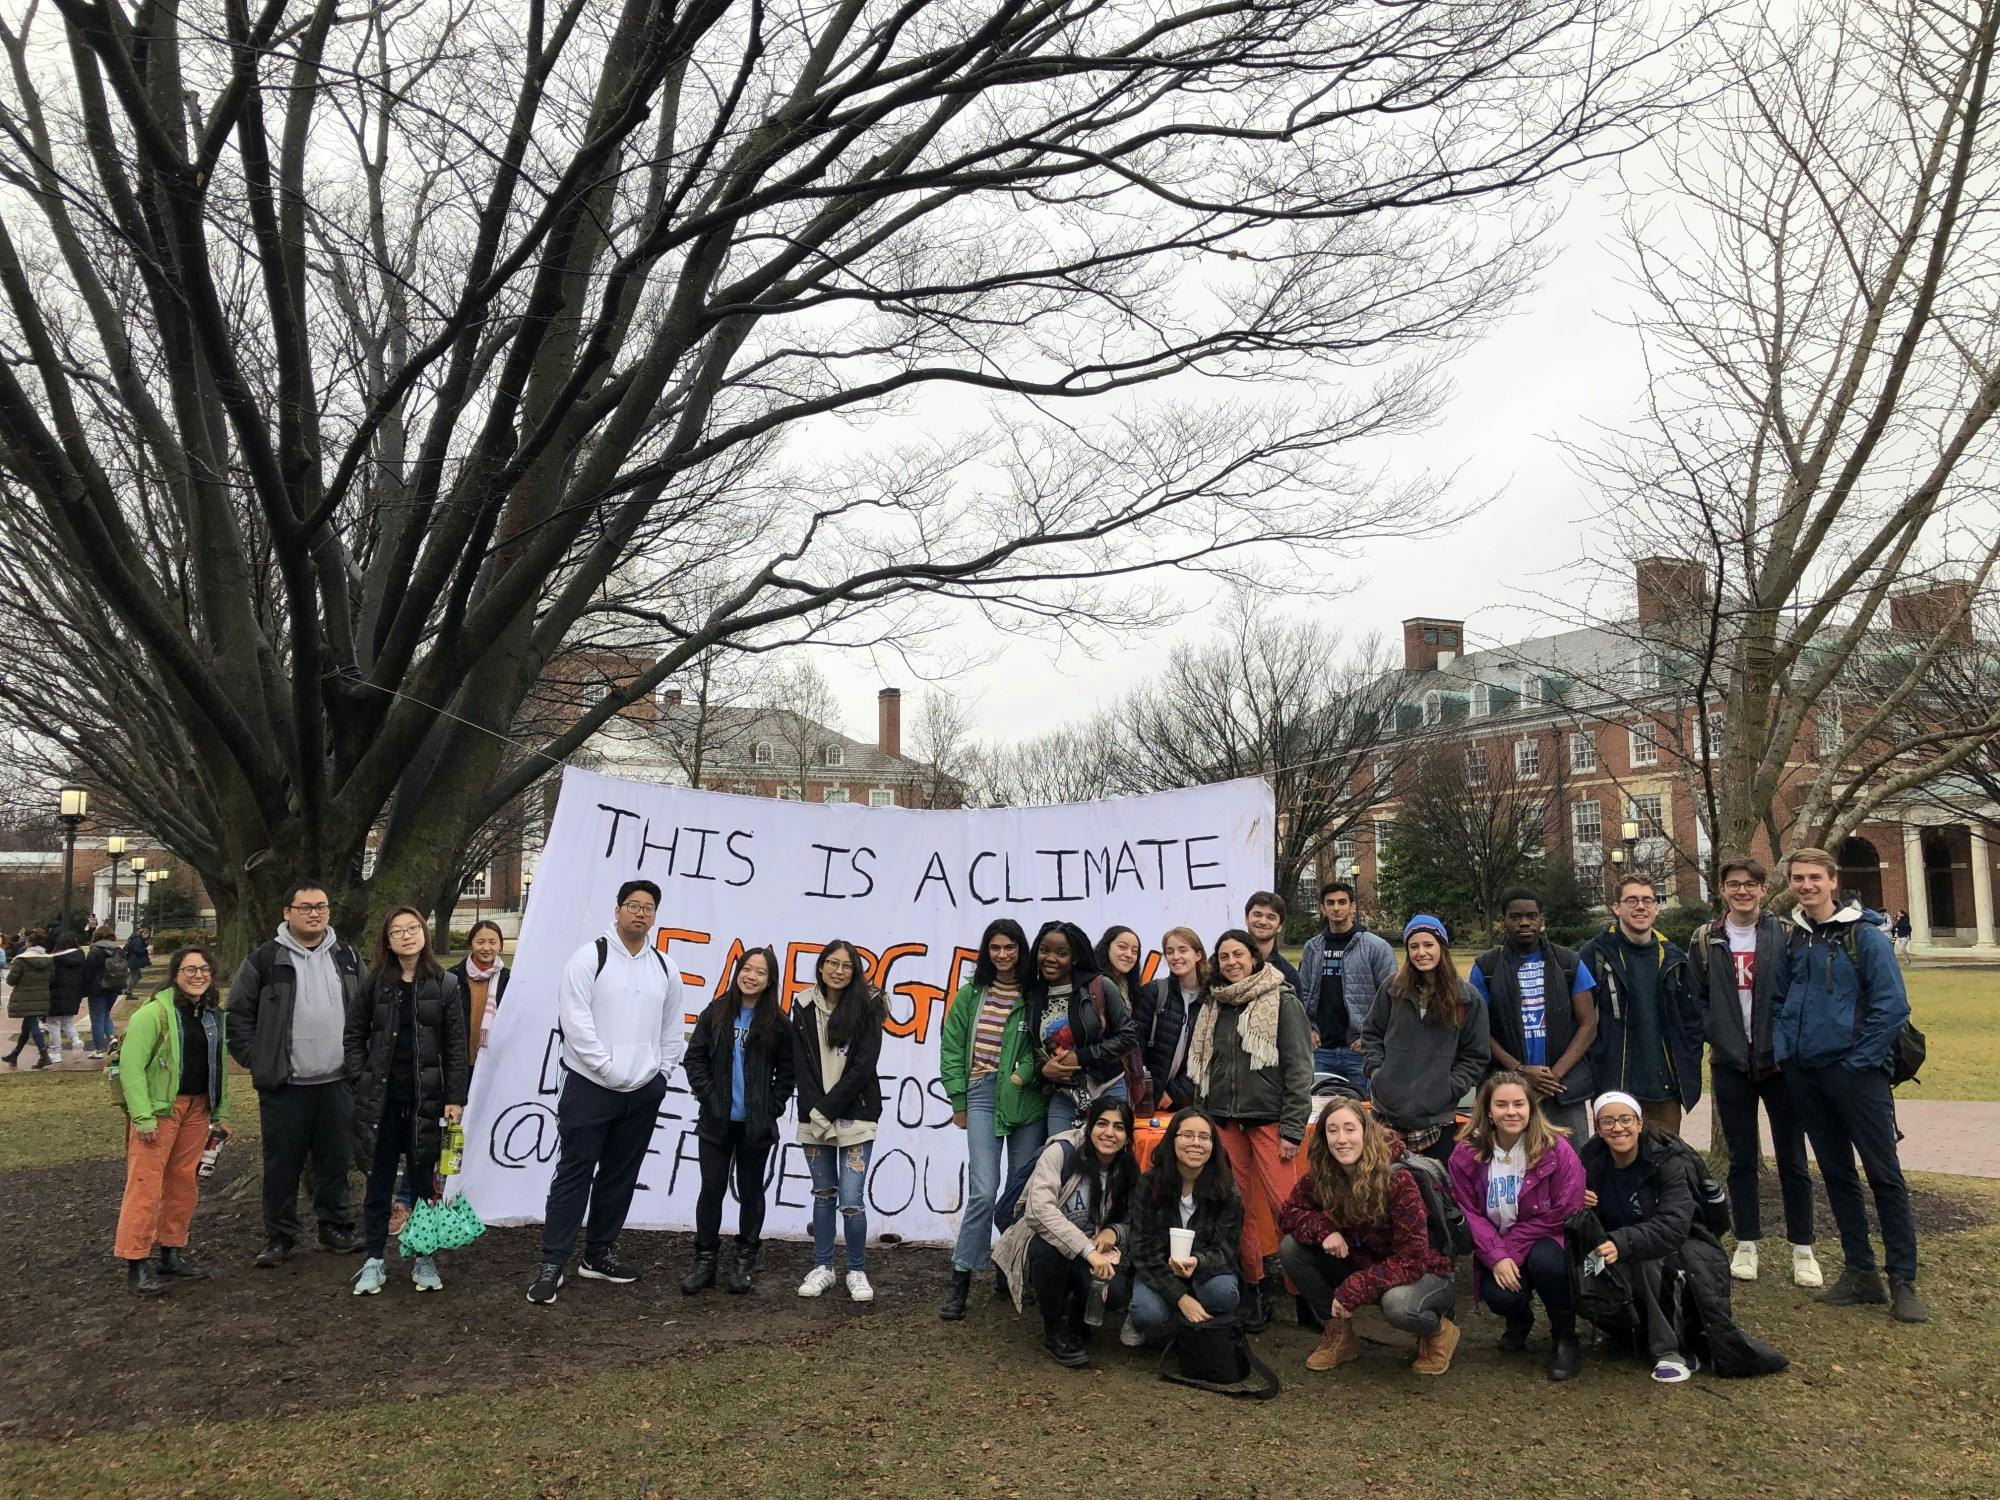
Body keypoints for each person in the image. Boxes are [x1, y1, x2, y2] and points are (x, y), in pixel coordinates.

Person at [1777, 848, 1925, 1324]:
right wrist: (1786, 1054)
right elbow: (1782, 1000)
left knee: (1884, 1176)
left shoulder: (1865, 937)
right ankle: (1861, 1272)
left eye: (1815, 877)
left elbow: (1892, 1006)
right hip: (1807, 1075)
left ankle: (1903, 1279)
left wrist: (1859, 1063)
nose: (1806, 885)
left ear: (1833, 881)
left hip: (1857, 1078)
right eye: (1799, 878)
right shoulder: (1795, 938)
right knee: (1837, 1176)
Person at [526, 880, 684, 1305]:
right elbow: (576, 1023)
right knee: (574, 1173)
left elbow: (672, 1029)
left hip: (642, 1093)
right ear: (617, 911)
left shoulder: (665, 968)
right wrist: (607, 1069)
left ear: (655, 916)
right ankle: (553, 1262)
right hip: (591, 1088)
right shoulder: (589, 958)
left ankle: (598, 1254)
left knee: (620, 1176)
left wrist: (661, 1075)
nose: (640, 913)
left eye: (649, 908)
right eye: (633, 905)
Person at [1576, 1092, 1789, 1383]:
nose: (1618, 1128)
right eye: (1608, 1121)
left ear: (1640, 1123)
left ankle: (1670, 1350)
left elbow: (1674, 1225)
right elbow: (1577, 1219)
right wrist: (1579, 1203)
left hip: (1684, 1251)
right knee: (1582, 1266)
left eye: (1626, 1119)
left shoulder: (1670, 1162)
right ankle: (1624, 1329)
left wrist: (1622, 1242)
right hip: (1616, 1245)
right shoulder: (1590, 1162)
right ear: (1598, 1129)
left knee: (1645, 1261)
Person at [1689, 856, 1820, 1288]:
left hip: (1779, 1063)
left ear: (1764, 889)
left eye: (1750, 884)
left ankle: (1803, 1248)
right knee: (1742, 1159)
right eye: (1733, 885)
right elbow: (1697, 996)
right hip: (1730, 1063)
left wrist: (1784, 1044)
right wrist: (1717, 1033)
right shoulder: (1707, 938)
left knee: (1792, 1157)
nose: (1742, 891)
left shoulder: (1784, 934)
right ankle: (1747, 1242)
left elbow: (1801, 990)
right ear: (1722, 890)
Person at [226, 881, 366, 1265]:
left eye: (321, 906)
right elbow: (238, 1016)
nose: (314, 913)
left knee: (335, 1160)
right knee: (281, 1164)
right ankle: (280, 1237)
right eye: (305, 907)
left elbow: (368, 1008)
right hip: (286, 1085)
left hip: (337, 1081)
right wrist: (260, 1060)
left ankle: (335, 1227)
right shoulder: (265, 960)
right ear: (287, 912)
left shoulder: (348, 957)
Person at [1185, 928, 1311, 1331]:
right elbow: (1205, 1067)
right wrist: (1204, 1120)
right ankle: (1253, 1289)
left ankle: (1305, 1291)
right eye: (1224, 957)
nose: (1231, 962)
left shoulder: (1282, 1000)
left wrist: (1293, 1126)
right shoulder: (1213, 1006)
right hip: (1225, 1122)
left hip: (1271, 1120)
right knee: (1237, 1209)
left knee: (1286, 1207)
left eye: (1238, 954)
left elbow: (1298, 1066)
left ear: (1254, 958)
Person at [1277, 1096, 1459, 1375]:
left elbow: (1412, 1258)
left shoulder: (1398, 1179)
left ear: (1365, 1132)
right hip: (1364, 1263)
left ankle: (1438, 1333)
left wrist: (1355, 1287)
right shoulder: (1325, 1175)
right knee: (1292, 1248)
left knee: (1398, 1306)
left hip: (1424, 1271)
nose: (1341, 1139)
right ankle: (1339, 1335)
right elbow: (1289, 1213)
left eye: (1350, 1129)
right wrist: (1325, 1232)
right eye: (1332, 1130)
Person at [346, 907, 469, 1296]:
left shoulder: (446, 984)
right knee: (378, 1181)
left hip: (426, 1103)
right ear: (387, 939)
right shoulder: (374, 983)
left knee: (422, 1184)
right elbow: (353, 1035)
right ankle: (373, 1260)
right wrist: (360, 1077)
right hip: (381, 1101)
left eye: (412, 928)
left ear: (424, 934)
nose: (406, 936)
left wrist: (454, 1097)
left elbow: (455, 1046)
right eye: (397, 930)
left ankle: (423, 1257)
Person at [938, 917, 1046, 1318]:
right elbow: (951, 1047)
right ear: (986, 951)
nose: (1003, 955)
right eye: (995, 948)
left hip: (1026, 1100)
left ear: (1021, 950)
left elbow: (1048, 1045)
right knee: (984, 1191)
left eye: (1010, 948)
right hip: (981, 1093)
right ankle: (961, 1278)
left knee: (1023, 1194)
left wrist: (1029, 1072)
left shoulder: (1036, 994)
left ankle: (1010, 1267)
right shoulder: (971, 995)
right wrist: (958, 1100)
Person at [1447, 1071, 1586, 1379]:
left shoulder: (1557, 1149)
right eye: (1502, 1105)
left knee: (1547, 1263)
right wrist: (1495, 1255)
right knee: (1501, 1295)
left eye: (1519, 1104)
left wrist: (1507, 1250)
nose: (1511, 1112)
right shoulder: (1466, 1154)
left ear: (1531, 1108)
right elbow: (1467, 1211)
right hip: (1496, 1242)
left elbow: (1567, 1208)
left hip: (1546, 1238)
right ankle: (1518, 1320)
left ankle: (1565, 1337)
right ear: (1488, 1110)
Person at [114, 945, 231, 1296]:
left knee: (184, 1183)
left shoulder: (212, 1015)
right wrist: (143, 1116)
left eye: (204, 969)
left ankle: (172, 1252)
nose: (198, 976)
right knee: (145, 1183)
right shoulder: (153, 1014)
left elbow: (219, 1065)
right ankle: (136, 1261)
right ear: (176, 974)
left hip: (198, 1109)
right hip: (160, 1110)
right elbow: (131, 1068)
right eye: (190, 969)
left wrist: (221, 1111)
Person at [682, 946, 794, 1296]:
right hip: (715, 1123)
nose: (752, 976)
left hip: (755, 1126)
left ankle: (744, 1263)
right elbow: (694, 1058)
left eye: (760, 972)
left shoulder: (778, 1022)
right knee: (711, 1190)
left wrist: (770, 1108)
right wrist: (711, 1099)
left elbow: (788, 1073)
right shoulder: (715, 1012)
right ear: (738, 971)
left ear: (770, 979)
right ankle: (705, 1263)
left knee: (750, 1192)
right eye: (747, 969)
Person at [993, 1096, 1137, 1367]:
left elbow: (1131, 1221)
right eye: (1102, 1124)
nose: (1109, 1133)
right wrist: (1088, 1252)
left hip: (1091, 1249)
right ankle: (1054, 1328)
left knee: (1117, 1293)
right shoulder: (1062, 1151)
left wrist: (1114, 1233)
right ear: (1090, 1125)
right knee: (1050, 1253)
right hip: (1046, 1243)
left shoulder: (1126, 1167)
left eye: (1119, 1127)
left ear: (1128, 1136)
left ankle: (1076, 1318)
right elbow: (1038, 1212)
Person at [792, 939, 888, 1302]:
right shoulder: (801, 1006)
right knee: (822, 1195)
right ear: (821, 966)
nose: (838, 970)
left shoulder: (868, 1007)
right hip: (813, 1118)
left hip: (855, 1117)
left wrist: (826, 1110)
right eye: (832, 963)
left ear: (855, 971)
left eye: (847, 965)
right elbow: (801, 1064)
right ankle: (823, 1267)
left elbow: (863, 1067)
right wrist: (816, 1111)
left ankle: (857, 1270)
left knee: (851, 1199)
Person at [1361, 915, 1490, 1165]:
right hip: (1387, 1114)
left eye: (1428, 945)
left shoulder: (1467, 998)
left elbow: (1475, 1055)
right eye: (1414, 946)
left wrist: (1448, 1088)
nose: (1421, 953)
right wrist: (1378, 1073)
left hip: (1437, 1118)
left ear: (1442, 947)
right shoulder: (1392, 988)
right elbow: (1371, 1034)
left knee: (1435, 1192)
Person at [1469, 889, 1598, 1137]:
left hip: (1562, 1089)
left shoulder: (1569, 962)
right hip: (1506, 1089)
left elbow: (1588, 1025)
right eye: (1515, 917)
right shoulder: (1485, 967)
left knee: (1571, 1166)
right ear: (1503, 922)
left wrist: (1554, 1076)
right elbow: (1478, 1029)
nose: (1524, 922)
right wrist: (1519, 1071)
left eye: (1532, 916)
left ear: (1542, 920)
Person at [1580, 876, 1702, 1135]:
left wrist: (1688, 1060)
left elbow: (1691, 1020)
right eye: (1631, 900)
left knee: (1665, 1165)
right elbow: (1580, 1019)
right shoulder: (1596, 955)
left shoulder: (1674, 957)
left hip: (1665, 1086)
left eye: (1648, 900)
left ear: (1657, 907)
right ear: (1616, 907)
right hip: (1614, 1084)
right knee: (1617, 1165)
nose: (1640, 907)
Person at [1125, 1106, 1244, 1347]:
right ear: (1172, 1139)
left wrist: (1198, 1261)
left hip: (1203, 1271)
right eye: (1187, 1135)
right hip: (1159, 1269)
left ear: (1213, 1145)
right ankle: (1172, 1316)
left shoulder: (1226, 1189)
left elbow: (1227, 1250)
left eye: (1204, 1137)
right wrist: (1180, 1298)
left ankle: (1195, 1327)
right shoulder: (1149, 1184)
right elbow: (1142, 1250)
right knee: (1147, 1312)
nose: (1196, 1143)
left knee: (1224, 1293)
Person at [1024, 920, 1137, 1136]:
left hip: (1107, 1087)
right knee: (1059, 1154)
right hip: (1064, 1095)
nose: (1050, 958)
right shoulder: (1033, 995)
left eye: (1061, 953)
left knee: (1109, 1162)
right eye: (1044, 950)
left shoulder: (1100, 986)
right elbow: (1030, 1047)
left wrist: (1082, 1056)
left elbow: (1129, 1035)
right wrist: (1042, 1070)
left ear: (1075, 957)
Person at [1297, 881, 1396, 1097]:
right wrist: (1310, 1028)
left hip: (1360, 1051)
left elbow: (1391, 998)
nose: (1336, 908)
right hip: (1321, 1051)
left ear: (1352, 906)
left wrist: (1371, 1038)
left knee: (1362, 1116)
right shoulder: (1313, 948)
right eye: (1330, 903)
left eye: (1342, 902)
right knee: (1320, 1116)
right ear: (1323, 908)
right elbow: (1303, 994)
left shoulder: (1375, 947)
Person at [1130, 926, 1206, 1113]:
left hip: (1188, 1102)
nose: (1175, 957)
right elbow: (1135, 1045)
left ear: (1198, 955)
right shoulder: (1154, 992)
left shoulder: (1211, 999)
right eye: (1169, 952)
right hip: (1148, 1099)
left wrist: (1177, 1092)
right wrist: (1148, 1091)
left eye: (1182, 950)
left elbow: (1210, 1056)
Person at [446, 919, 510, 1064]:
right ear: (471, 944)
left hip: (497, 1060)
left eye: (492, 942)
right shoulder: (452, 977)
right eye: (480, 942)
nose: (486, 948)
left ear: (500, 945)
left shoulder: (509, 980)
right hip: (459, 1059)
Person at [4, 929, 53, 1069]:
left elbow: (11, 980)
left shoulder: (21, 960)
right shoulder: (48, 959)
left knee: (32, 1026)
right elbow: (52, 978)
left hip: (25, 997)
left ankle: (44, 1055)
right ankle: (15, 1053)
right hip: (42, 996)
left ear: (29, 943)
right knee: (27, 1027)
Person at [1242, 890, 1303, 998]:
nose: (1263, 921)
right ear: (1246, 919)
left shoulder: (1288, 974)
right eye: (1257, 915)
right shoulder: (1226, 965)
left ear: (1279, 926)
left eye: (1271, 917)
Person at [44, 928, 88, 1064]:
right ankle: (75, 1040)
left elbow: (50, 978)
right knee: (68, 1021)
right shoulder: (80, 957)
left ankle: (55, 1051)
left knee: (53, 1024)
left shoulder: (55, 959)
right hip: (74, 993)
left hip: (56, 994)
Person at [83, 923, 125, 1060]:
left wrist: (84, 988)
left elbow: (88, 972)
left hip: (97, 988)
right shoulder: (119, 950)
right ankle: (111, 1037)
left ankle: (99, 1048)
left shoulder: (95, 951)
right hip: (114, 987)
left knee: (96, 1018)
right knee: (105, 1013)